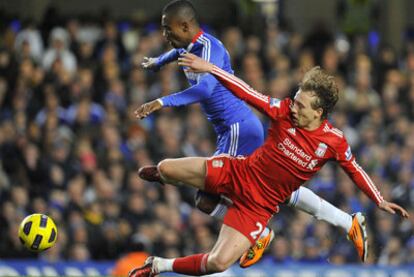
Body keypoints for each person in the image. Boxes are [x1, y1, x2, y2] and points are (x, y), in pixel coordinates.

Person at [129, 55, 409, 277]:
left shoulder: (333, 142)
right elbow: (247, 92)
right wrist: (211, 68)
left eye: (300, 105)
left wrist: (379, 199)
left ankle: (158, 266)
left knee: (218, 263)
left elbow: (355, 169)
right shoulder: (283, 111)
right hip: (237, 173)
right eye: (295, 101)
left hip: (258, 207)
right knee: (165, 168)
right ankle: (246, 222)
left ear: (318, 112)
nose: (294, 107)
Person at [136, 0, 368, 268]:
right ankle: (344, 221)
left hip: (238, 127)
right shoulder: (191, 47)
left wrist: (162, 101)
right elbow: (178, 53)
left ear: (186, 26)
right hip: (228, 130)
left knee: (218, 196)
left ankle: (262, 231)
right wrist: (157, 62)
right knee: (255, 192)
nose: (165, 35)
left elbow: (203, 90)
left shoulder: (210, 48)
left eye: (168, 29)